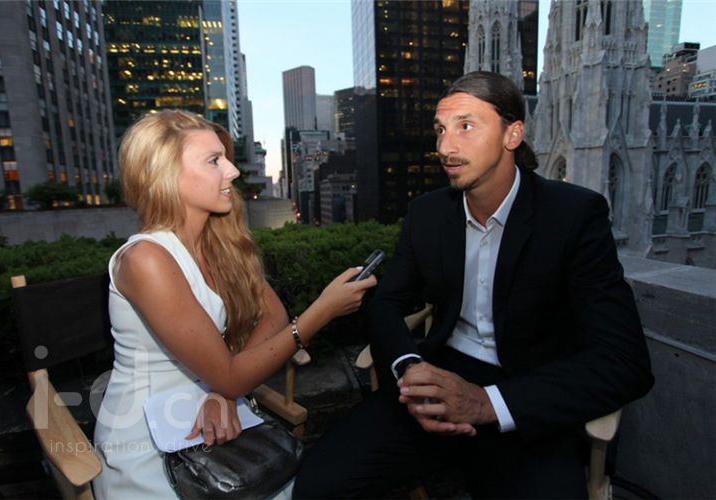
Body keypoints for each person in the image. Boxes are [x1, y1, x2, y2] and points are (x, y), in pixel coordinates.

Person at [293, 71, 654, 498]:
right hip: (438, 379)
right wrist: (409, 367)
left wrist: (488, 403)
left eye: (466, 126)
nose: (445, 147)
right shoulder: (428, 214)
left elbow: (625, 363)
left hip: (528, 397)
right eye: (440, 130)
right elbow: (386, 302)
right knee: (317, 484)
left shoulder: (573, 216)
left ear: (512, 134)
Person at [92, 110, 377, 499]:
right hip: (150, 446)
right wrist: (322, 311)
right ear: (166, 174)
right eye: (213, 161)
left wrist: (222, 392)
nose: (233, 171)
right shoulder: (147, 260)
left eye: (225, 157)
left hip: (212, 413)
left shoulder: (217, 243)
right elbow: (231, 374)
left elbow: (272, 315)